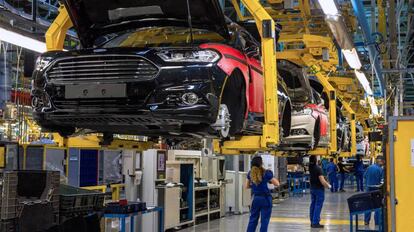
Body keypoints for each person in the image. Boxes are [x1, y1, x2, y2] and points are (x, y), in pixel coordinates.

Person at [246, 156, 280, 232]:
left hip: (256, 199)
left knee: (253, 219)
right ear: (261, 163)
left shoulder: (250, 173)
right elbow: (277, 183)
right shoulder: (266, 173)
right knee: (264, 220)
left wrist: (255, 185)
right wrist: (269, 181)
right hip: (265, 199)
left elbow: (247, 186)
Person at [309, 155, 332, 228]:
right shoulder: (318, 169)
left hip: (312, 188)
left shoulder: (310, 167)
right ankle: (315, 222)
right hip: (319, 189)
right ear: (316, 160)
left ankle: (312, 221)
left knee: (313, 204)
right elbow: (322, 181)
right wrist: (328, 186)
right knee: (318, 206)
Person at [364, 156, 384, 226]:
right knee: (377, 206)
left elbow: (365, 176)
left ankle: (366, 221)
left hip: (368, 189)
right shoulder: (380, 170)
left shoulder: (369, 167)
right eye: (383, 161)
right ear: (380, 161)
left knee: (367, 206)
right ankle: (377, 222)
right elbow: (382, 182)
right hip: (376, 190)